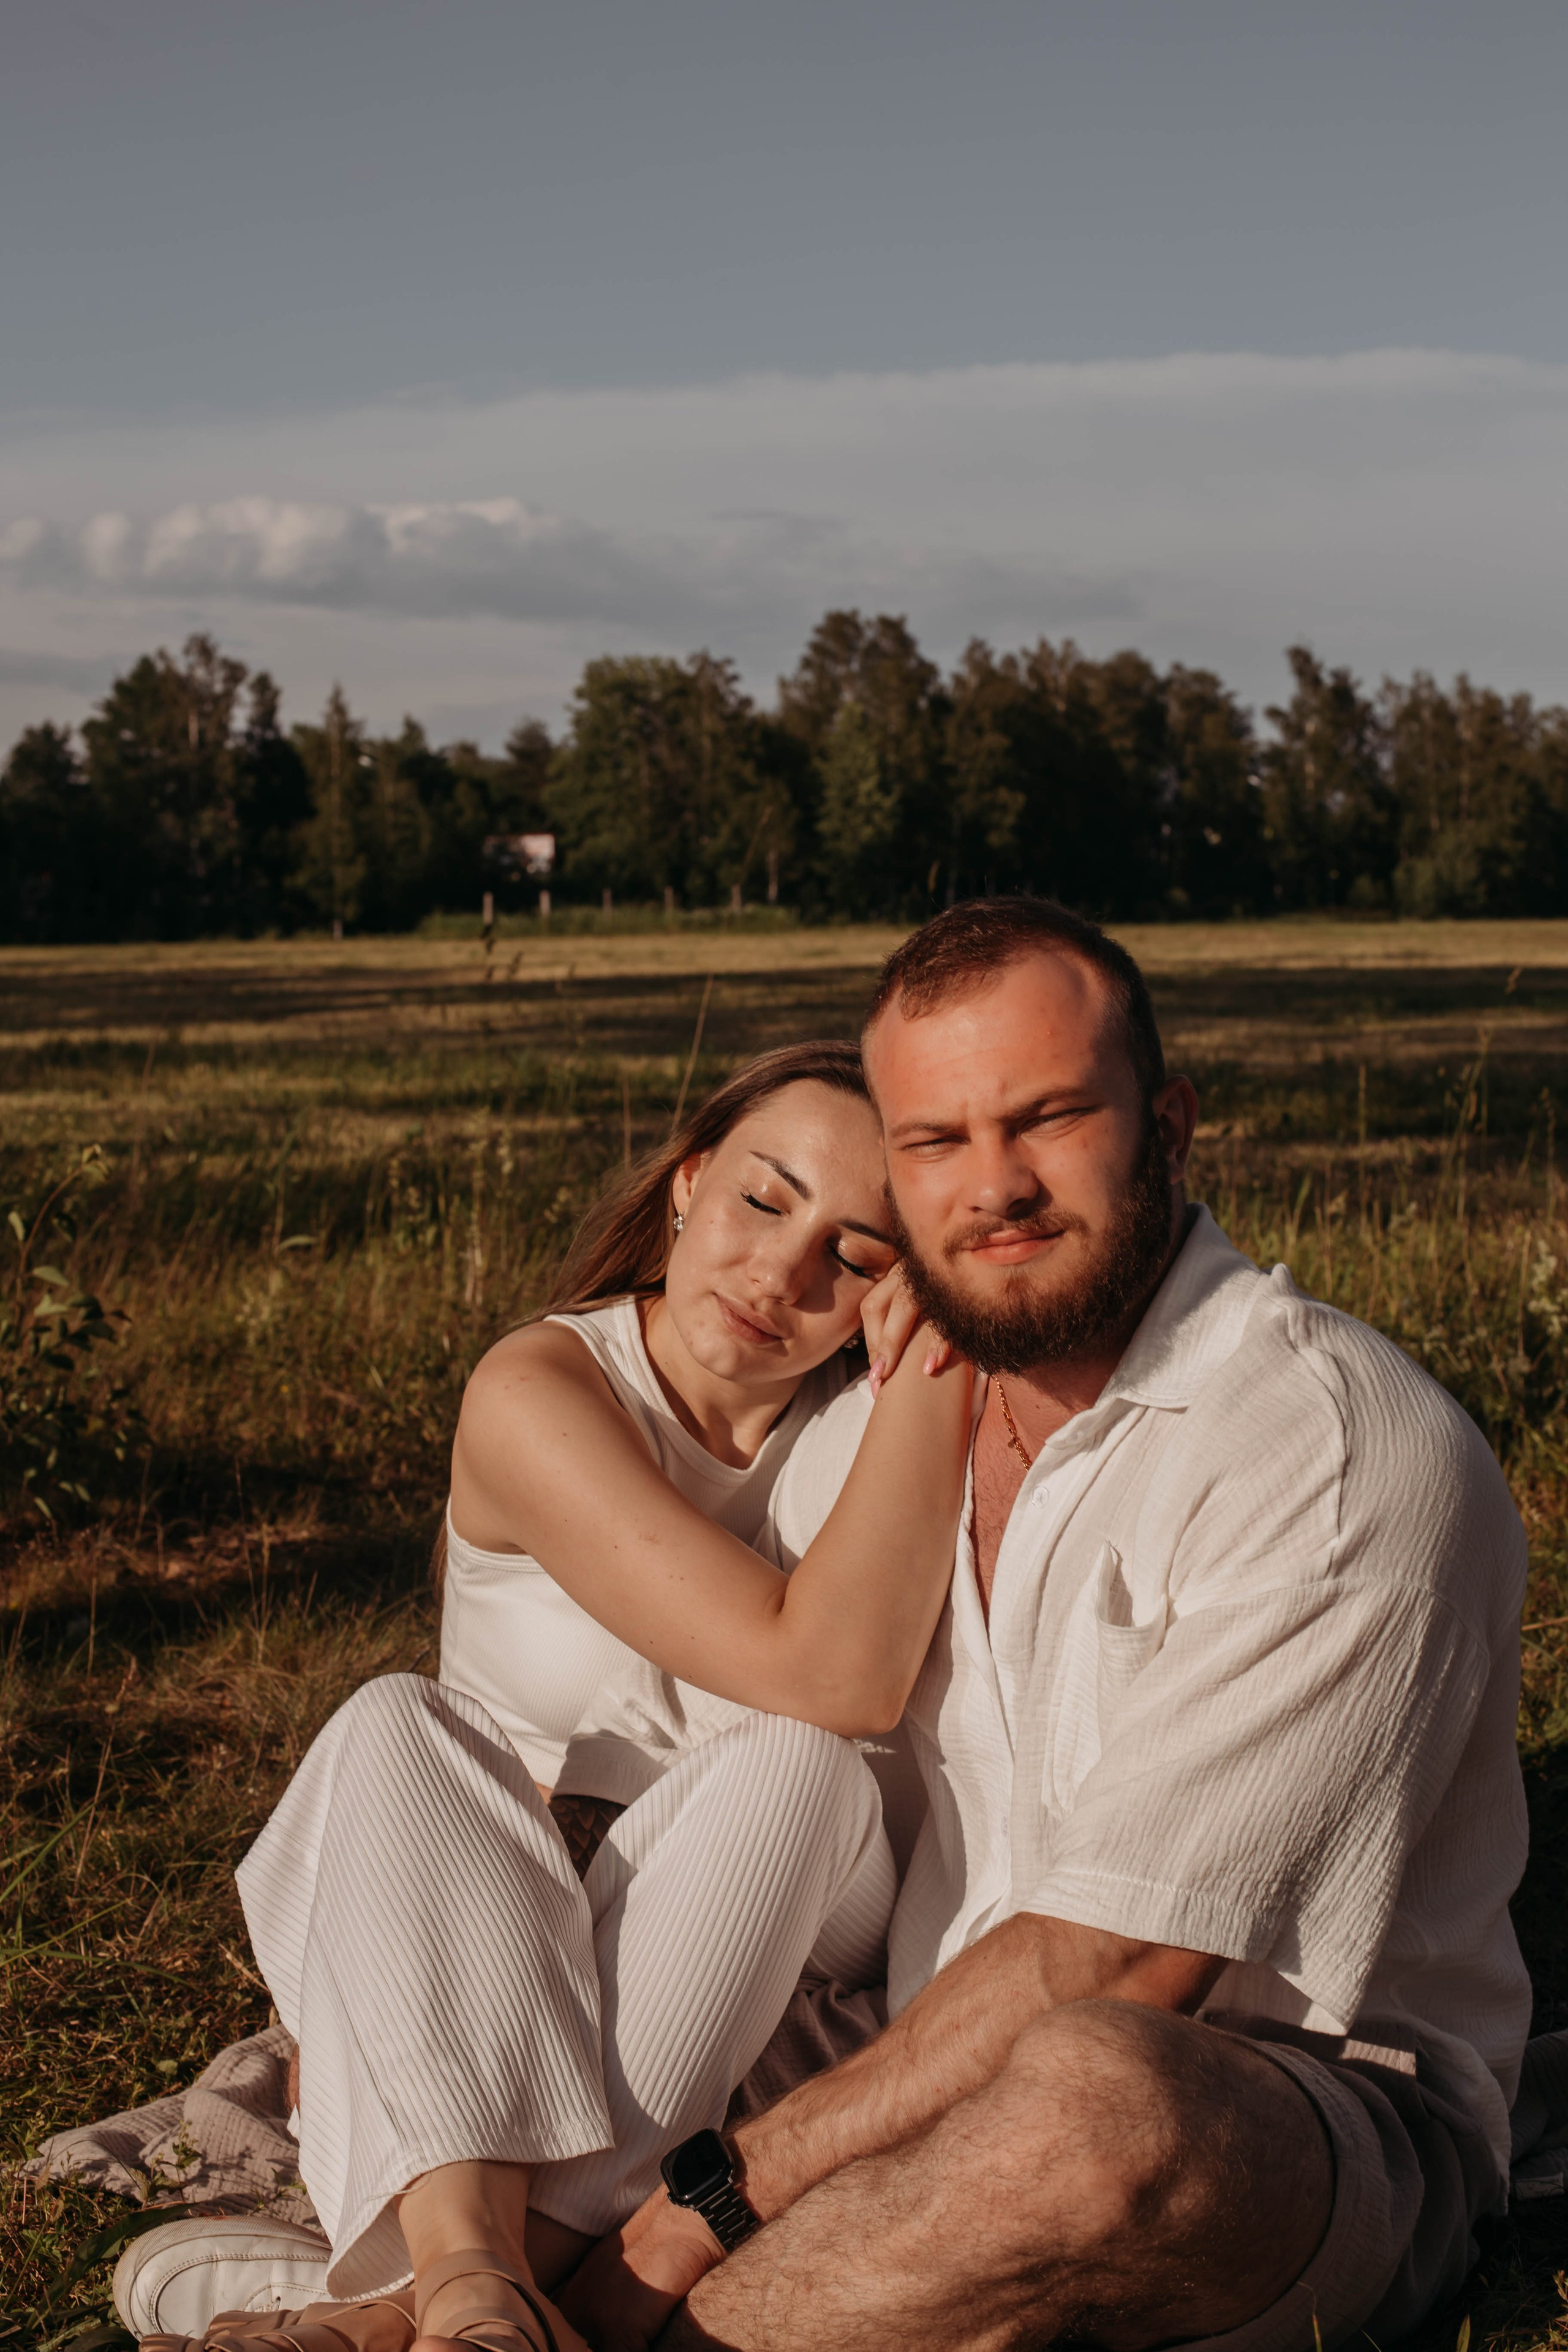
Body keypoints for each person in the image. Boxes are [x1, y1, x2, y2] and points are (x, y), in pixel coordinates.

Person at [560, 898, 1531, 2352]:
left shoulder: (1326, 1447)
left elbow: (1124, 1968)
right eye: (934, 1141)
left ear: (1169, 1122)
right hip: (889, 2056)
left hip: (1286, 2095)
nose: (991, 1187)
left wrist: (696, 2210)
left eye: (1049, 1118)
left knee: (1095, 2102)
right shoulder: (863, 1443)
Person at [135, 1041, 970, 2352]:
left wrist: (938, 1351)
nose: (782, 1275)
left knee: (796, 1766)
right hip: (499, 1947)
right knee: (391, 1723)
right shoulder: (541, 1387)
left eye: (856, 1258)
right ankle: (482, 2285)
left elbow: (842, 1693)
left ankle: (393, 2310)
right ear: (690, 1181)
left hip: (783, 1932)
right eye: (765, 1200)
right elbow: (826, 1663)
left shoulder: (869, 1418)